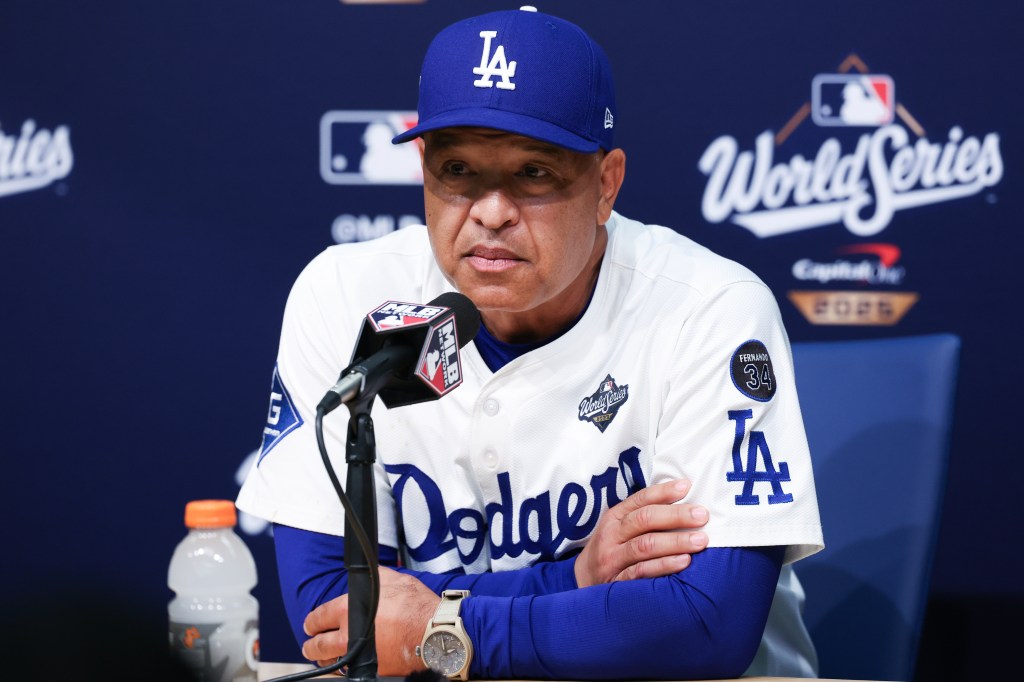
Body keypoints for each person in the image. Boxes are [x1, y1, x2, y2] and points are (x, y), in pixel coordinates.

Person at [238, 6, 823, 679]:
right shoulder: (344, 295)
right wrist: (575, 579)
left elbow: (705, 625)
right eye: (459, 170)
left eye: (534, 173)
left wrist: (442, 627)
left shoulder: (709, 309)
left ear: (606, 185)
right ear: (423, 165)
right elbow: (331, 612)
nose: (490, 211)